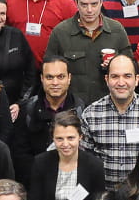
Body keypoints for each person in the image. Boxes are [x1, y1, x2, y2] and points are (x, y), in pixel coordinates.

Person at [80, 55, 139, 188]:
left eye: (127, 76)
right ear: (106, 80)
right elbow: (84, 161)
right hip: (104, 195)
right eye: (115, 76)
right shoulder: (90, 115)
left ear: (137, 80)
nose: (121, 82)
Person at [44, 0, 133, 105]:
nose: (89, 10)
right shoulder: (61, 32)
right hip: (72, 106)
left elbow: (131, 66)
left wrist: (115, 64)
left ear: (101, 1)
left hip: (109, 104)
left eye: (94, 4)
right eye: (84, 5)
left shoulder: (116, 30)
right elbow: (48, 70)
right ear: (76, 3)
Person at [28, 110, 105, 200]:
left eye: (70, 138)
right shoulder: (41, 163)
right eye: (59, 139)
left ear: (80, 137)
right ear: (53, 138)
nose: (65, 144)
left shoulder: (94, 166)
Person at [12, 57, 87, 186]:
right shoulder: (27, 110)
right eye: (49, 77)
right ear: (42, 79)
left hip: (73, 184)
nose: (55, 82)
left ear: (69, 78)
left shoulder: (82, 110)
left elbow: (87, 155)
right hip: (35, 184)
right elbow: (21, 157)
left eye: (61, 77)